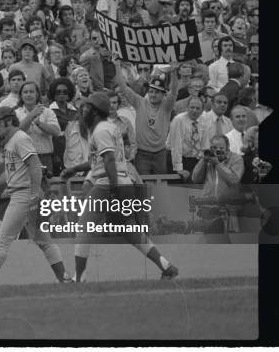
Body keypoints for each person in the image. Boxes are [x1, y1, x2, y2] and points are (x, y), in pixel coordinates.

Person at [70, 86, 178, 284]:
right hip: (124, 181)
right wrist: (74, 168)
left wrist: (113, 189)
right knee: (130, 231)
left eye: (86, 108)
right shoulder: (110, 127)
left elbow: (109, 160)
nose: (83, 111)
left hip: (108, 183)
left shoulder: (100, 130)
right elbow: (101, 160)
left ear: (95, 110)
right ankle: (166, 266)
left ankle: (79, 276)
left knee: (83, 227)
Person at [0, 106, 71, 286]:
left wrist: (34, 194)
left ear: (9, 121)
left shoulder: (19, 138)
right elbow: (11, 172)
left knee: (2, 241)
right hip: (21, 192)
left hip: (23, 195)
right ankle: (64, 279)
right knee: (43, 241)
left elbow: (34, 166)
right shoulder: (13, 140)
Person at [114, 60, 178, 175]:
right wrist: (117, 65)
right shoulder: (140, 102)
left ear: (163, 94)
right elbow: (123, 87)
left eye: (157, 92)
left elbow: (174, 92)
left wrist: (173, 71)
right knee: (143, 187)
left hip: (160, 153)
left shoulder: (166, 106)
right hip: (142, 154)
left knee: (161, 186)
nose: (153, 95)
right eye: (151, 91)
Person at [191, 134, 245, 233]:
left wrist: (218, 164)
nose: (217, 151)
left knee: (230, 243)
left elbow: (234, 180)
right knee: (208, 242)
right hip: (208, 207)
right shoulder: (208, 159)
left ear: (227, 147)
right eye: (214, 148)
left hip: (228, 208)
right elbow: (195, 178)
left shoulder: (236, 159)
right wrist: (203, 160)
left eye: (221, 148)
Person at [15, 81, 61, 177]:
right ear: (21, 95)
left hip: (45, 157)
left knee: (47, 190)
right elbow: (17, 133)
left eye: (31, 92)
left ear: (37, 94)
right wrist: (31, 116)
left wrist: (39, 123)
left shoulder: (48, 112)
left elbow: (57, 132)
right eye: (25, 92)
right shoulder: (16, 113)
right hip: (24, 158)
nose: (29, 95)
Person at [167, 96, 209, 182]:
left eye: (198, 108)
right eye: (192, 107)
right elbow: (176, 146)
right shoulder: (178, 120)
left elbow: (205, 145)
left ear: (202, 111)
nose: (194, 110)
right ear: (187, 108)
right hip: (177, 159)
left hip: (195, 159)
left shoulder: (204, 120)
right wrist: (179, 169)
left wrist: (203, 164)